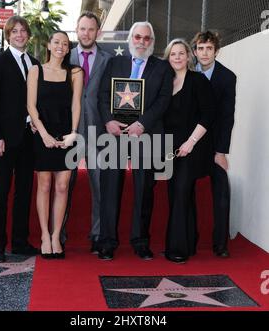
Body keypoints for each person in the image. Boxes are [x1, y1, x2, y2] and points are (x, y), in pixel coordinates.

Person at [97, 21, 173, 260]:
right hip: (115, 134)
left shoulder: (161, 68)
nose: (141, 42)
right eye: (138, 37)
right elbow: (102, 95)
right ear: (130, 39)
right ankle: (107, 241)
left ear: (152, 42)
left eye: (146, 38)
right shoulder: (114, 62)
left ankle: (140, 241)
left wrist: (142, 124)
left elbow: (163, 100)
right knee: (110, 188)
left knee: (143, 189)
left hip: (146, 135)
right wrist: (109, 121)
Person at [0, 16, 40, 263]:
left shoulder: (36, 64)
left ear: (28, 35)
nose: (19, 35)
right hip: (5, 140)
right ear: (8, 35)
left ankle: (19, 242)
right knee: (0, 192)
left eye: (23, 31)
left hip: (30, 139)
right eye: (14, 31)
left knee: (24, 191)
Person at [27, 30, 83, 259]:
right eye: (56, 42)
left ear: (69, 49)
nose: (61, 46)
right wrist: (43, 134)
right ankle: (43, 235)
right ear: (49, 45)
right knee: (45, 185)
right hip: (42, 135)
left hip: (66, 136)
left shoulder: (75, 72)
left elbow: (76, 105)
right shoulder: (35, 70)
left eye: (65, 43)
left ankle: (56, 235)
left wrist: (73, 133)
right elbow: (31, 106)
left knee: (62, 187)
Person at [60, 12, 112, 254]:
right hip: (67, 131)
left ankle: (98, 234)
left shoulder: (108, 59)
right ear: (76, 30)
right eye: (82, 29)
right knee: (63, 184)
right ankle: (58, 233)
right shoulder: (63, 57)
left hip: (99, 131)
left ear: (98, 32)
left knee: (100, 184)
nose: (86, 33)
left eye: (91, 29)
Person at [163, 39, 215, 263]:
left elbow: (208, 115)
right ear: (168, 57)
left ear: (188, 56)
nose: (177, 57)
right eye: (173, 54)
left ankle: (178, 249)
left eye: (181, 53)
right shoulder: (166, 82)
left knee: (182, 191)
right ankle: (189, 241)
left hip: (191, 148)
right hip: (168, 150)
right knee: (176, 194)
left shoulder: (198, 80)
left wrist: (190, 143)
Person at [191, 31, 237, 258]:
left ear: (217, 51)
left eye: (209, 48)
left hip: (215, 145)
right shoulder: (185, 73)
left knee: (221, 192)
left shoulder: (228, 77)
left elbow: (228, 117)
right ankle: (189, 239)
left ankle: (221, 243)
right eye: (200, 48)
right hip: (190, 143)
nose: (205, 53)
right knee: (185, 190)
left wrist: (221, 151)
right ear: (195, 51)